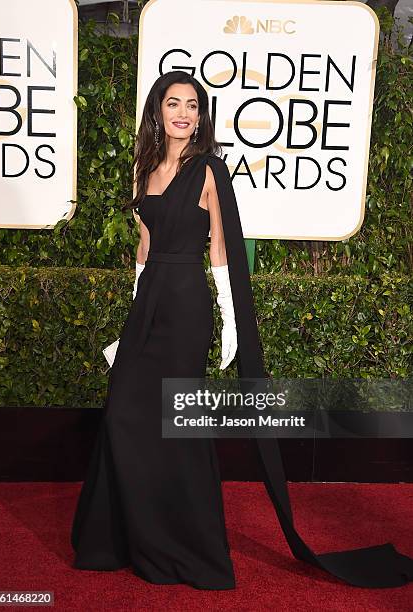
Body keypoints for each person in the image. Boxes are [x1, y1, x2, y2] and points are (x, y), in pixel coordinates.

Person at [70, 70, 413, 590]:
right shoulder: (142, 168)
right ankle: (128, 535)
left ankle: (190, 547)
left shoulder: (210, 169)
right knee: (122, 416)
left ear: (200, 115)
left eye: (192, 105)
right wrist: (132, 320)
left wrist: (230, 323)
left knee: (176, 426)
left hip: (187, 307)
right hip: (149, 306)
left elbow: (221, 251)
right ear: (157, 113)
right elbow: (142, 248)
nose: (183, 113)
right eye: (173, 104)